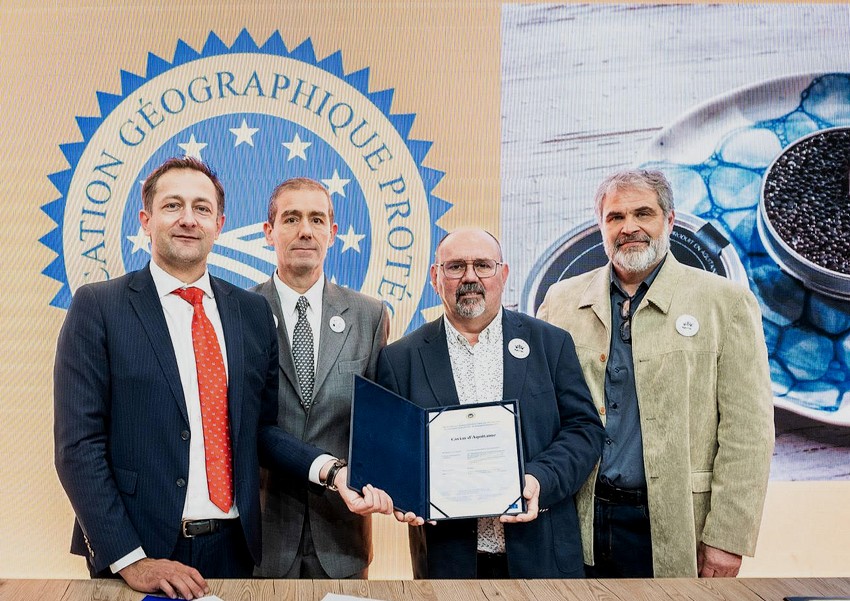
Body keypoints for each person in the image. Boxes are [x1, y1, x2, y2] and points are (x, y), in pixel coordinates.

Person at [54, 157, 392, 600]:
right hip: (142, 549)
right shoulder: (99, 306)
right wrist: (130, 558)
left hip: (234, 548)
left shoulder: (249, 313)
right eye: (173, 205)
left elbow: (261, 429)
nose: (188, 219)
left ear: (220, 223)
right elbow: (78, 446)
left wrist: (331, 471)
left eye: (202, 208)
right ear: (146, 220)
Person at [537, 169, 774, 578]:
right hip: (578, 520)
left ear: (670, 221)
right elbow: (538, 410)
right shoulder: (561, 301)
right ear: (601, 226)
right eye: (615, 217)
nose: (629, 227)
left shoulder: (726, 302)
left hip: (679, 523)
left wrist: (727, 538)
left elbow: (748, 431)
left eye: (642, 213)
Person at [377, 227, 605, 579]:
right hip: (448, 564)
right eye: (455, 267)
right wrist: (407, 494)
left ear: (504, 274)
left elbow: (584, 430)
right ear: (435, 277)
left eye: (483, 265)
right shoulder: (400, 359)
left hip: (542, 557)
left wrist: (539, 479)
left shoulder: (550, 343)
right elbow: (392, 452)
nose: (470, 277)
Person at [252, 177, 389, 579]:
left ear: (333, 231)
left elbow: (380, 422)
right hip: (262, 536)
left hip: (342, 536)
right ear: (269, 231)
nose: (305, 230)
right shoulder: (240, 311)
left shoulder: (370, 315)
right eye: (291, 218)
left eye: (317, 219)